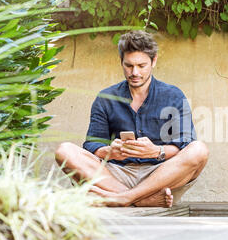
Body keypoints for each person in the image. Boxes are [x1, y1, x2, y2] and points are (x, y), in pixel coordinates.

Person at [55, 30, 209, 207]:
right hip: (116, 173)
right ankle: (140, 200)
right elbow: (91, 145)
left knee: (199, 150)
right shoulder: (106, 98)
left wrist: (156, 151)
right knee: (64, 150)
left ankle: (125, 198)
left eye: (141, 66)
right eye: (129, 66)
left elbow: (184, 144)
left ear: (154, 61)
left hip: (160, 175)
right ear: (121, 61)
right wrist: (109, 152)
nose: (134, 72)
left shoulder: (173, 95)